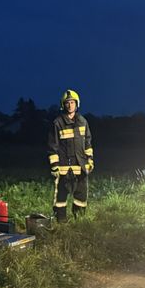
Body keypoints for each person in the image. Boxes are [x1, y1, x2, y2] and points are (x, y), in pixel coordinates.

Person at [47, 89, 94, 222]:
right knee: (61, 197)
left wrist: (90, 160)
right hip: (63, 168)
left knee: (81, 195)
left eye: (72, 102)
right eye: (67, 103)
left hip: (81, 166)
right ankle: (61, 222)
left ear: (77, 104)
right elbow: (52, 146)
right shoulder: (57, 123)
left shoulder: (83, 122)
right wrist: (54, 166)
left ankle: (78, 219)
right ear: (63, 104)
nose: (70, 105)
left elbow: (88, 143)